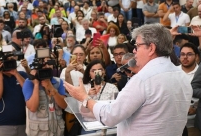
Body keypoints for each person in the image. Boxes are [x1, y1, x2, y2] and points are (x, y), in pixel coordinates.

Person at [65, 24, 193, 136]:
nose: (134, 51)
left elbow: (110, 116)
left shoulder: (143, 79)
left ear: (151, 48)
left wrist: (84, 98)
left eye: (137, 46)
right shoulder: (181, 75)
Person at [23, 57, 67, 136]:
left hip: (57, 131)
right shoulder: (29, 82)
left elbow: (64, 105)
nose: (46, 66)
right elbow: (32, 107)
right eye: (43, 64)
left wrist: (52, 89)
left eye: (49, 63)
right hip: (38, 132)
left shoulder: (58, 82)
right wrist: (36, 84)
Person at [0, 61, 28, 136]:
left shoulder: (22, 74)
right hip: (1, 126)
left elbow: (29, 91)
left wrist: (16, 74)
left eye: (11, 60)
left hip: (23, 125)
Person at [79, 60, 119, 134]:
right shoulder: (84, 88)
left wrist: (92, 113)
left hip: (107, 126)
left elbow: (114, 110)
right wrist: (88, 96)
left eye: (100, 70)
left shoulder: (112, 88)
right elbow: (82, 112)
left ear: (104, 72)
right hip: (89, 126)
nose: (97, 73)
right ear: (89, 73)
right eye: (93, 71)